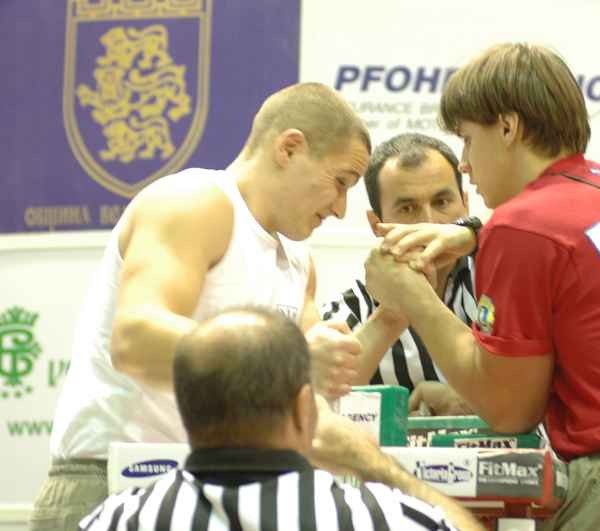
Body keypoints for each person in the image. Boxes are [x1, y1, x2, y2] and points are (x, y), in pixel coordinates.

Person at [364, 43, 600, 530]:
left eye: (467, 138)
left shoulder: (523, 225)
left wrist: (414, 299)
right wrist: (472, 234)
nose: (465, 162)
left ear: (507, 127)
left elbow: (509, 411)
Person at [31, 82, 370, 530]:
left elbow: (311, 402)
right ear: (289, 148)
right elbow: (134, 341)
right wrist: (293, 360)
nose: (342, 209)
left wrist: (393, 308)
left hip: (226, 486)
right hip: (115, 479)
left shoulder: (300, 263)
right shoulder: (194, 202)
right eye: (341, 182)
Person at [78, 307, 482, 531]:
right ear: (305, 408)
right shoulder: (376, 517)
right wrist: (373, 463)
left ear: (186, 410)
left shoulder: (116, 519)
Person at [322, 133, 477, 415]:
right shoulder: (351, 312)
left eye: (442, 202)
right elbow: (317, 402)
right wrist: (391, 316)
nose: (430, 223)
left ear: (465, 205)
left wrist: (472, 402)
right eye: (408, 209)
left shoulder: (504, 282)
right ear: (376, 224)